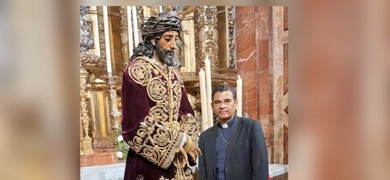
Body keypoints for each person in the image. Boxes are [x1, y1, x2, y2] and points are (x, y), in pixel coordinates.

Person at [121, 13, 201, 180]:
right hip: (148, 163)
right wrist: (178, 140)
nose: (173, 45)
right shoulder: (136, 71)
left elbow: (186, 113)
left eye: (175, 39)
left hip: (179, 161)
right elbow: (135, 123)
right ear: (153, 40)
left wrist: (188, 140)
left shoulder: (175, 75)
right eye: (167, 39)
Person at [198, 83, 269, 180]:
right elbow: (203, 173)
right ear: (212, 106)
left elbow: (260, 169)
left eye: (227, 101)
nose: (222, 106)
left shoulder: (251, 128)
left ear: (235, 103)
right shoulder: (205, 137)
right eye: (217, 102)